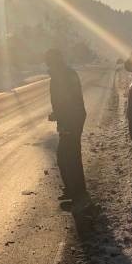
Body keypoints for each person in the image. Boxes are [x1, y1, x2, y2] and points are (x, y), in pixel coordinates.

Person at [45, 49, 88, 204]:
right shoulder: (63, 74)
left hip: (71, 119)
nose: (47, 64)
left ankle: (77, 193)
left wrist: (58, 115)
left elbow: (68, 101)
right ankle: (76, 190)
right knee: (69, 156)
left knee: (67, 156)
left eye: (48, 61)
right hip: (71, 118)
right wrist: (58, 114)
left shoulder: (62, 76)